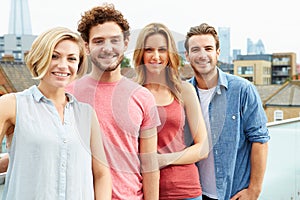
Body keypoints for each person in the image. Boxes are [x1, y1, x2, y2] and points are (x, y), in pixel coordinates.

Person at [0, 27, 112, 200]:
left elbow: (102, 174)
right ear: (39, 58)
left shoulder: (86, 115)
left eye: (71, 58)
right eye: (54, 56)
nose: (63, 65)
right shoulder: (12, 105)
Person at [66, 3, 160, 200]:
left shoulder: (142, 97)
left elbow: (150, 165)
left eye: (114, 40)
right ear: (86, 46)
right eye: (98, 41)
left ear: (125, 43)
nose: (107, 48)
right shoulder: (67, 94)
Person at [184, 23, 270, 200]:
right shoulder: (182, 94)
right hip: (195, 193)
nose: (202, 55)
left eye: (208, 48)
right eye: (195, 50)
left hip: (234, 193)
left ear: (217, 52)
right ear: (187, 55)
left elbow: (260, 141)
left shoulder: (243, 90)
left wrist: (254, 190)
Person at [133, 22, 209, 200]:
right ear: (141, 54)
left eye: (162, 50)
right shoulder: (132, 93)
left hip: (185, 190)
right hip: (143, 191)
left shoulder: (184, 90)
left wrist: (162, 160)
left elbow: (203, 147)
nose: (156, 56)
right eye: (149, 50)